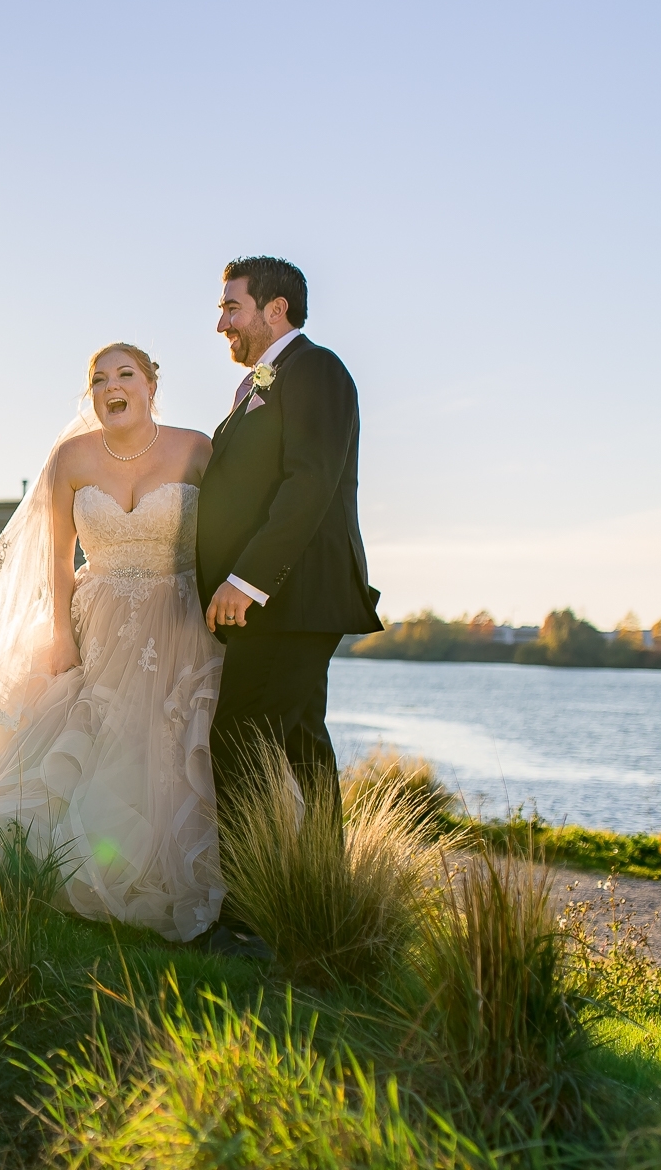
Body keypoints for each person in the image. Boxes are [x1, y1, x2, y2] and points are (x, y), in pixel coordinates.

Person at [0, 342, 225, 942]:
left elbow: (225, 537)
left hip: (178, 620)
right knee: (82, 743)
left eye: (126, 374)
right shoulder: (72, 458)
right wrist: (61, 632)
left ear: (151, 384)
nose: (112, 386)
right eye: (99, 378)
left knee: (161, 744)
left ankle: (152, 865)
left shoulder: (196, 449)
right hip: (95, 619)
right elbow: (59, 559)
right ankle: (66, 862)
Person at [197, 255, 383, 946]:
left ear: (275, 309)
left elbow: (310, 483)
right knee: (300, 744)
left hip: (294, 596)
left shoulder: (318, 370)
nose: (221, 323)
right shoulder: (260, 386)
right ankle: (320, 895)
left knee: (240, 740)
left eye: (231, 307)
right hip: (284, 600)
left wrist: (246, 582)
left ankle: (246, 919)